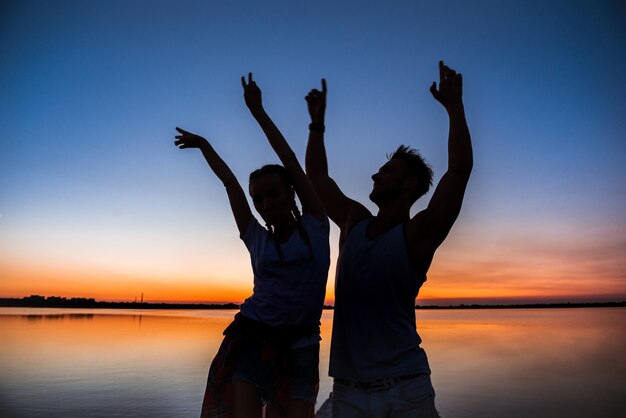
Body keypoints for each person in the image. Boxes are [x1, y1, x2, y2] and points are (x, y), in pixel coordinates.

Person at [305, 61, 473, 417]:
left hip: (406, 391)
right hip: (347, 392)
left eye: (386, 171)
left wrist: (455, 108)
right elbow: (318, 177)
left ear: (410, 185)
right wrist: (316, 124)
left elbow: (458, 172)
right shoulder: (353, 222)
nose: (375, 174)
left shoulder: (418, 235)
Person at [175, 73, 330, 418]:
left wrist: (258, 112)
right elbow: (231, 184)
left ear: (291, 193)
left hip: (302, 345)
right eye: (258, 199)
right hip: (252, 339)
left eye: (273, 194)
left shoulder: (315, 226)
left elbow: (290, 159)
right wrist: (205, 146)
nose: (265, 204)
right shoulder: (255, 237)